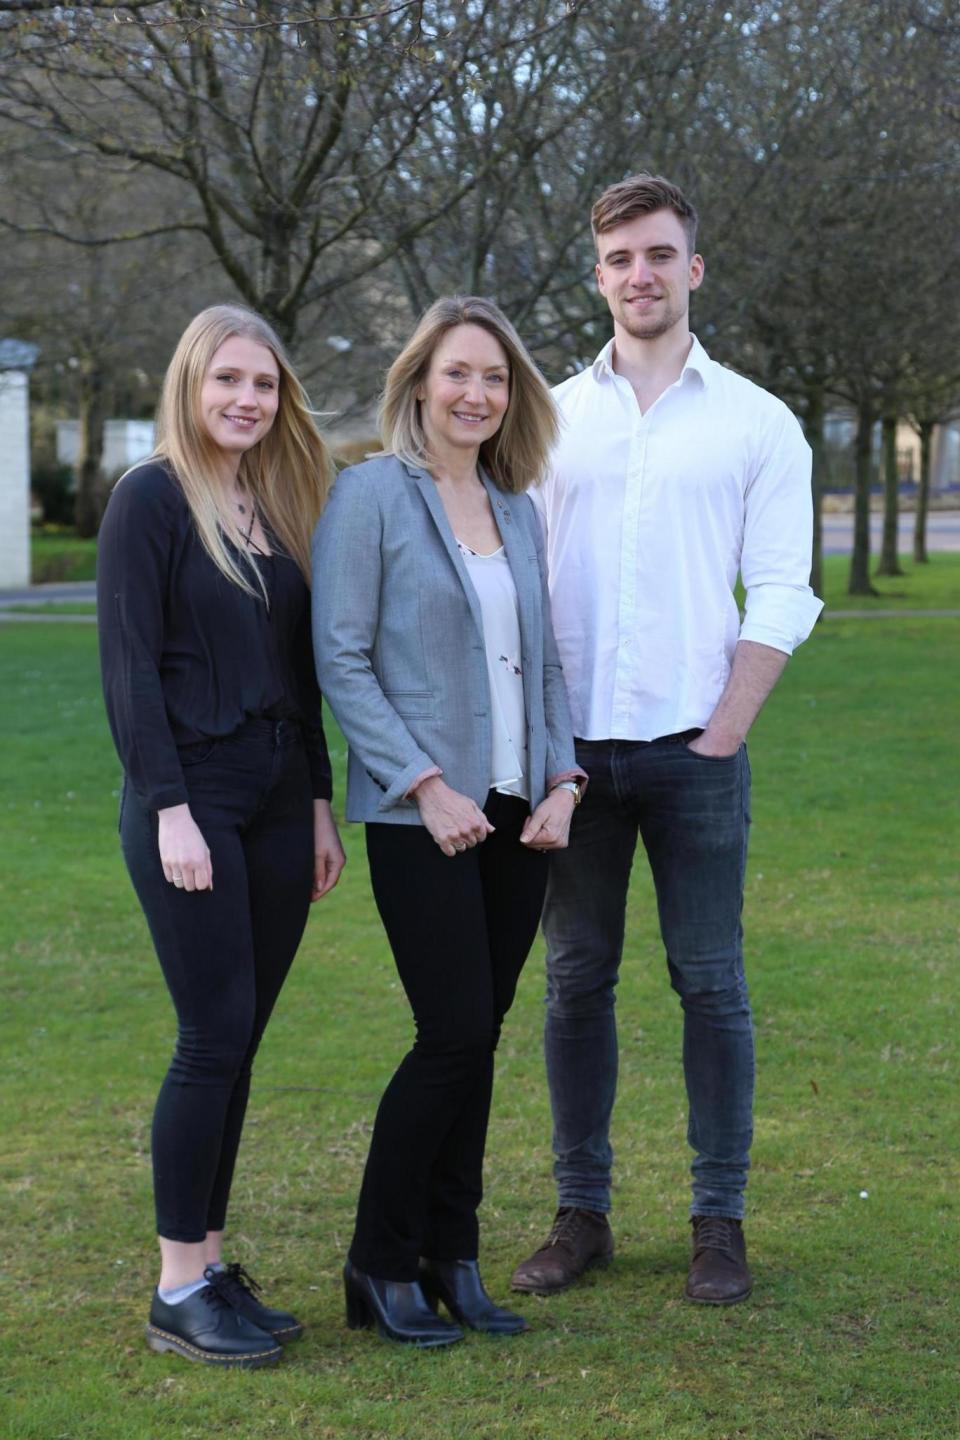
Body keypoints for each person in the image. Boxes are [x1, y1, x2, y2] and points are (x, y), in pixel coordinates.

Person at [510, 174, 823, 1306]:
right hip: (574, 764)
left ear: (693, 267)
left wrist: (724, 729)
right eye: (619, 259)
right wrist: (544, 752)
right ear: (597, 276)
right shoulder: (546, 417)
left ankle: (718, 1223)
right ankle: (579, 1214)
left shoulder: (755, 421)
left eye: (659, 254)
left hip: (698, 754)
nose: (640, 275)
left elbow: (785, 588)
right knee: (575, 984)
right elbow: (524, 594)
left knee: (712, 985)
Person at [312, 295, 585, 1347]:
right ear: (420, 381)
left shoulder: (517, 504)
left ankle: (452, 1257)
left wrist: (563, 780)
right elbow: (341, 656)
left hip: (519, 813)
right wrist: (427, 785)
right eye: (459, 373)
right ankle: (378, 1263)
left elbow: (545, 660)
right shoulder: (371, 495)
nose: (478, 394)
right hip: (422, 813)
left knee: (481, 1038)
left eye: (497, 378)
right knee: (453, 1032)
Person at [97, 304, 346, 1368]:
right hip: (191, 794)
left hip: (283, 796)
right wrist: (168, 810)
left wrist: (324, 801)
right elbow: (129, 669)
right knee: (210, 1036)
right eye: (227, 381)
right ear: (190, 387)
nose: (247, 399)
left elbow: (301, 672)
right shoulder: (150, 499)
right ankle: (175, 1287)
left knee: (240, 1038)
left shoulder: (278, 502)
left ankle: (209, 1262)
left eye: (264, 383)